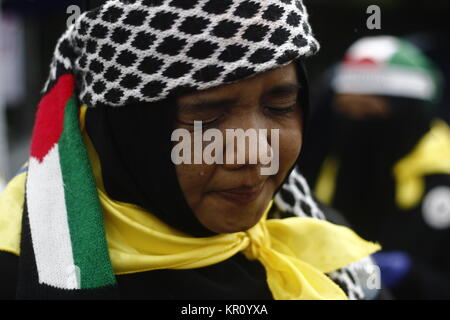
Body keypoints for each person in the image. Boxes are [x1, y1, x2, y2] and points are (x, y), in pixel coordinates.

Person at [0, 0, 380, 300]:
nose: (254, 152)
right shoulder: (20, 268)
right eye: (208, 116)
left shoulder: (307, 228)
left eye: (279, 106)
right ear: (125, 130)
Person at [303, 36, 450, 299]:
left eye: (369, 111)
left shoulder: (441, 175)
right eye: (346, 111)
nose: (357, 123)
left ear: (411, 114)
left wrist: (414, 277)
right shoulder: (324, 162)